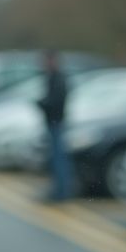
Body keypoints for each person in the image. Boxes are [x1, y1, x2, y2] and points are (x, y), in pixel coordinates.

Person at [36, 50, 72, 202]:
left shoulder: (58, 78)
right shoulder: (53, 77)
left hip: (56, 122)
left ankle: (61, 192)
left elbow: (56, 101)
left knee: (58, 159)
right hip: (53, 122)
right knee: (55, 158)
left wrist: (42, 104)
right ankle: (58, 190)